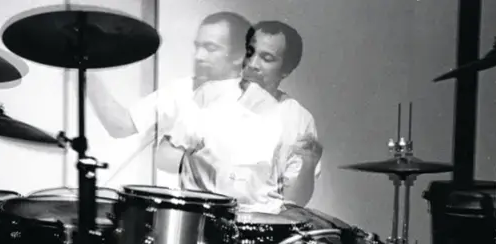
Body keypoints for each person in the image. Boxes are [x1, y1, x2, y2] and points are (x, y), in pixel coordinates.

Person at [158, 20, 324, 215]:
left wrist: (308, 164)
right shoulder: (209, 96)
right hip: (203, 219)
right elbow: (163, 157)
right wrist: (200, 159)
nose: (253, 64)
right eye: (250, 52)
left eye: (267, 58)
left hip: (259, 229)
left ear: (286, 70)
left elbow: (295, 201)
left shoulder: (298, 118)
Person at [86, 12, 252, 181]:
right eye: (197, 47)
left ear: (238, 56)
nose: (198, 56)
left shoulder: (257, 104)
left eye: (210, 48)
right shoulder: (182, 89)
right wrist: (86, 71)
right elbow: (121, 126)